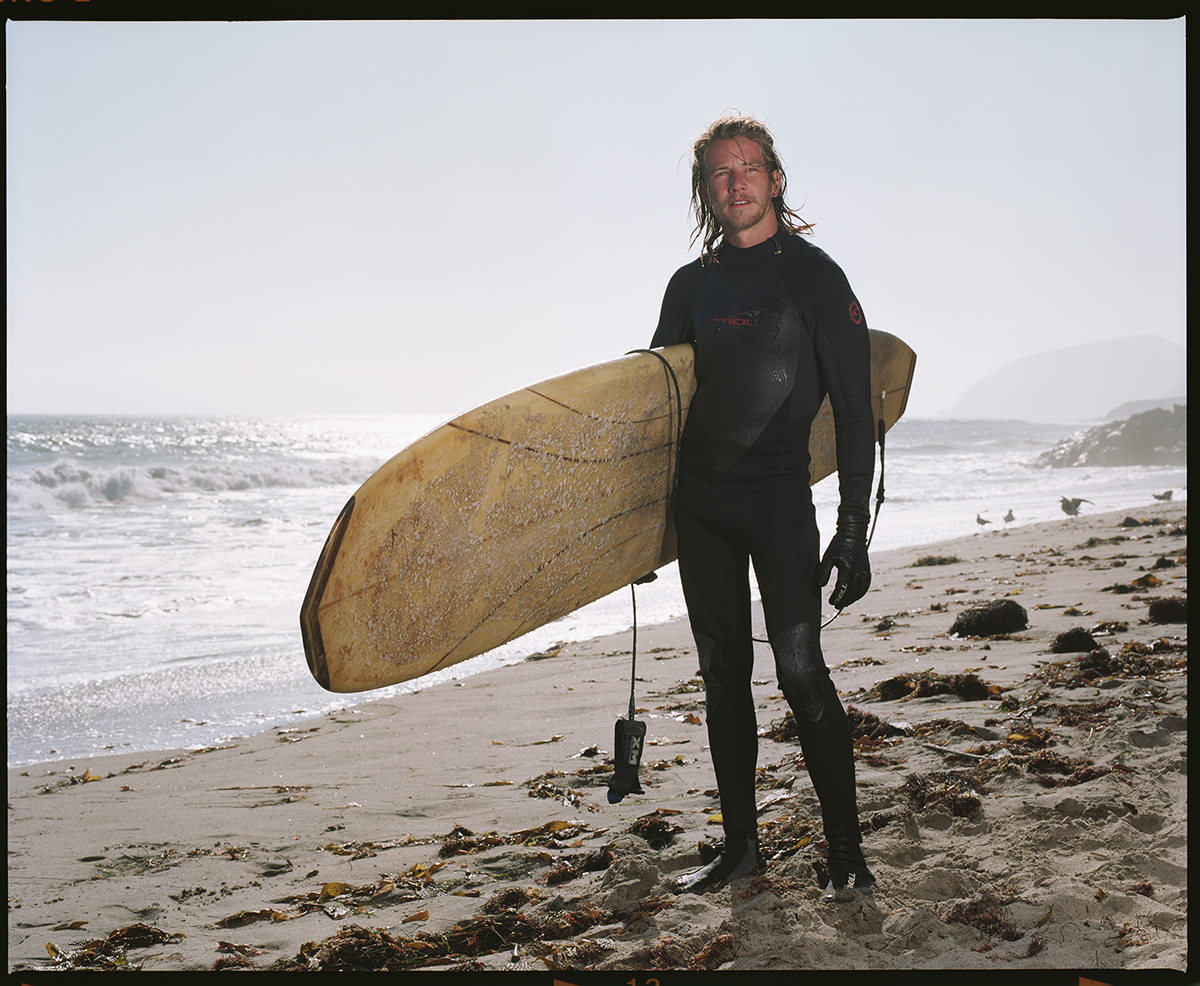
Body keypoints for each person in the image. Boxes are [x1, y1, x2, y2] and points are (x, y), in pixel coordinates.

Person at [649, 115, 877, 898]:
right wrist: (635, 535)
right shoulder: (690, 288)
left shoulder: (816, 279)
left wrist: (853, 531)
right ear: (706, 190)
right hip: (702, 510)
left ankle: (845, 853)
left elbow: (854, 410)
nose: (736, 182)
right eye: (720, 172)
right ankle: (742, 848)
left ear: (775, 178)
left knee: (802, 672)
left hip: (779, 503)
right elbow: (658, 410)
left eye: (749, 168)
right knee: (721, 677)